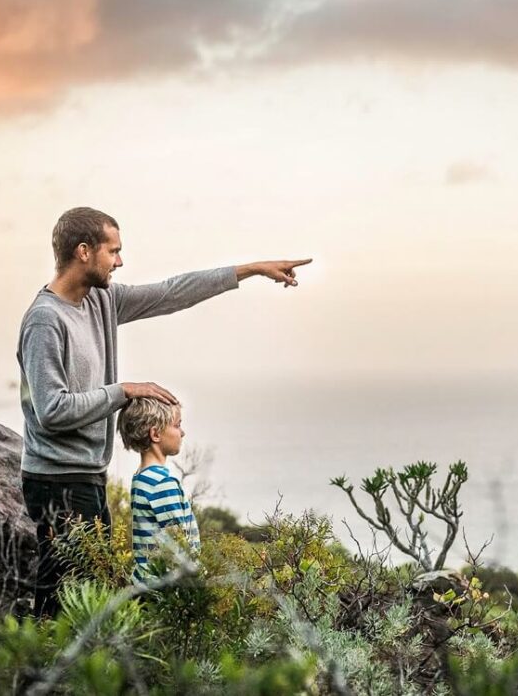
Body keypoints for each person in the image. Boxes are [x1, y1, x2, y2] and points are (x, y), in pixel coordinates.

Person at [18, 205, 310, 617]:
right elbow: (52, 410)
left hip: (87, 475)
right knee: (59, 603)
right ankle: (33, 658)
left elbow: (172, 292)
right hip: (55, 479)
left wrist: (251, 270)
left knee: (86, 599)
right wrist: (123, 390)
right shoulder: (45, 321)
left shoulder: (102, 300)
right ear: (84, 251)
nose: (120, 261)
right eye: (113, 251)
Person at [117, 398, 199, 582]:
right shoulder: (162, 483)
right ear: (155, 434)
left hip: (146, 582)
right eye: (177, 425)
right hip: (164, 587)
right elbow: (178, 545)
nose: (182, 432)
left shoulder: (141, 477)